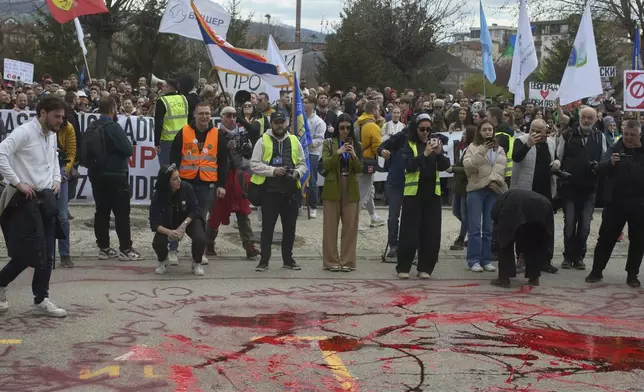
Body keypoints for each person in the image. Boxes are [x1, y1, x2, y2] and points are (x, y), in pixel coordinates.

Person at [0, 96, 67, 317]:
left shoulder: (52, 135)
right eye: (56, 116)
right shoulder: (25, 132)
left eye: (62, 117)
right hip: (24, 201)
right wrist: (17, 182)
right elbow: (1, 153)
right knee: (28, 253)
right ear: (42, 113)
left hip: (46, 199)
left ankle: (41, 299)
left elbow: (54, 160)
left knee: (47, 252)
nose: (60, 121)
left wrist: (56, 179)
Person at [587, 120, 644, 287]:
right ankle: (597, 270)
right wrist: (610, 163)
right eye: (626, 134)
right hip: (615, 202)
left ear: (639, 135)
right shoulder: (615, 147)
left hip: (640, 204)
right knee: (606, 237)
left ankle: (632, 274)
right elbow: (599, 168)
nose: (628, 138)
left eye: (633, 135)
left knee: (638, 241)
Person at [170, 102, 228, 265]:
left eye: (207, 114)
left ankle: (199, 253)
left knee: (201, 218)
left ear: (211, 116)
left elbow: (224, 162)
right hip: (185, 182)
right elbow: (174, 157)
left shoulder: (217, 134)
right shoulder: (184, 132)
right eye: (201, 113)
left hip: (206, 184)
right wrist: (173, 178)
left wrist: (222, 184)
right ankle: (172, 250)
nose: (204, 117)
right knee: (178, 215)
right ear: (194, 115)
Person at [250, 111, 307, 272]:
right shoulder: (263, 140)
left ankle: (288, 260)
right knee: (267, 228)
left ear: (287, 123)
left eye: (282, 122)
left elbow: (303, 164)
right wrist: (273, 171)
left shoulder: (295, 140)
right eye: (276, 122)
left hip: (290, 191)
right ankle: (264, 261)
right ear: (271, 123)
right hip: (270, 192)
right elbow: (254, 165)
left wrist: (297, 173)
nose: (280, 125)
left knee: (290, 228)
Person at [89, 97, 144, 261]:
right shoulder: (113, 127)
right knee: (121, 213)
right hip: (116, 175)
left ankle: (104, 248)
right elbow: (127, 149)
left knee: (101, 212)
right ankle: (125, 249)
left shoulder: (92, 126)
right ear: (113, 108)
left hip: (97, 175)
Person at [396, 114, 450, 279]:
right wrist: (424, 154)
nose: (425, 132)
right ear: (416, 129)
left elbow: (445, 166)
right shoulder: (409, 144)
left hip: (432, 194)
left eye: (428, 129)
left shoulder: (435, 145)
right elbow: (409, 166)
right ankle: (404, 267)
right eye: (422, 129)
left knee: (431, 233)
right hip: (413, 195)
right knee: (409, 233)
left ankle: (425, 267)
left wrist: (439, 153)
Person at [556, 107, 607, 270]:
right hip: (570, 187)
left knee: (585, 225)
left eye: (590, 118)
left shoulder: (600, 137)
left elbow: (604, 159)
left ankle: (579, 257)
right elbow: (559, 156)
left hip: (590, 187)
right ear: (579, 118)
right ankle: (568, 256)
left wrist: (598, 167)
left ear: (595, 120)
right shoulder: (568, 135)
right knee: (570, 223)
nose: (586, 120)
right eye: (584, 117)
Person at [462, 120, 507, 273]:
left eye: (490, 130)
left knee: (488, 228)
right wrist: (481, 151)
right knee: (475, 228)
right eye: (485, 130)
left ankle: (486, 259)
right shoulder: (472, 148)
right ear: (479, 132)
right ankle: (473, 260)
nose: (488, 132)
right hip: (475, 190)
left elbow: (501, 168)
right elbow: (469, 166)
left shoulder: (500, 150)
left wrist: (492, 181)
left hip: (492, 190)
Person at [321, 113, 363, 272]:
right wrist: (337, 153)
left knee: (350, 227)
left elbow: (360, 169)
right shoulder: (328, 143)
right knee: (330, 227)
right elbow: (326, 164)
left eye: (348, 127)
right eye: (342, 128)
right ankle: (331, 261)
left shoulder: (357, 144)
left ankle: (347, 261)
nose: (345, 131)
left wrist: (353, 155)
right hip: (332, 185)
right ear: (337, 129)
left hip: (351, 186)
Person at [149, 164, 206, 276]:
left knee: (200, 238)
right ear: (167, 182)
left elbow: (195, 210)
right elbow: (154, 223)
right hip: (168, 223)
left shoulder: (187, 188)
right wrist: (169, 232)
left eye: (179, 177)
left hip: (188, 220)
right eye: (175, 179)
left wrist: (184, 225)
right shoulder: (158, 196)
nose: (179, 181)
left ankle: (196, 263)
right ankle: (163, 261)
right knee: (158, 242)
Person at [490, 189, 554, 288]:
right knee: (534, 241)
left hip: (516, 205)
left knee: (505, 242)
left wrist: (499, 239)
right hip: (544, 205)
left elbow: (501, 231)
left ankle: (504, 278)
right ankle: (534, 277)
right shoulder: (508, 197)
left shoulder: (497, 208)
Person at [356, 100, 385, 228]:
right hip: (367, 163)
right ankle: (353, 223)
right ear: (374, 111)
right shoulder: (373, 127)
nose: (379, 112)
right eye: (378, 109)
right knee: (362, 194)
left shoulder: (358, 122)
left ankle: (373, 217)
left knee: (370, 191)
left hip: (357, 160)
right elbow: (377, 148)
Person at [448, 126, 476, 250]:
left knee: (465, 214)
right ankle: (472, 231)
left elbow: (468, 169)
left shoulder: (473, 150)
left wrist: (453, 169)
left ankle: (461, 238)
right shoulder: (464, 148)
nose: (463, 136)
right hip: (459, 185)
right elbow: (461, 164)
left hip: (466, 185)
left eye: (465, 134)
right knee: (456, 211)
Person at [56, 110, 77, 268]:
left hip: (60, 172)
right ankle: (42, 255)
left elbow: (71, 152)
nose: (59, 121)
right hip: (42, 174)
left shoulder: (68, 127)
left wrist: (66, 169)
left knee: (62, 216)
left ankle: (65, 255)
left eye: (62, 118)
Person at [154, 79, 189, 164]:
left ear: (170, 88)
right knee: (180, 166)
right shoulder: (183, 99)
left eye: (164, 86)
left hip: (167, 140)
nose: (162, 88)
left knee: (166, 168)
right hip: (183, 138)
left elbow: (158, 123)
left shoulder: (162, 101)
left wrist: (156, 142)